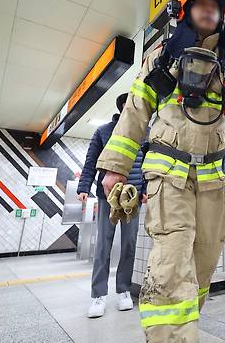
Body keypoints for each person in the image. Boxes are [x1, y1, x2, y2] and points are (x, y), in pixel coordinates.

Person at [96, 0, 225, 342]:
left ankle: (186, 330)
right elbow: (136, 112)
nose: (210, 11)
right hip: (169, 179)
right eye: (202, 4)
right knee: (171, 264)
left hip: (215, 183)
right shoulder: (162, 58)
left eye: (215, 6)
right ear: (185, 11)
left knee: (203, 266)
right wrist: (114, 168)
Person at [78, 93, 146, 318]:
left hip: (132, 198)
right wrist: (83, 188)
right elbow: (91, 162)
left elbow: (147, 164)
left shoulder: (143, 133)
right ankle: (98, 295)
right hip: (107, 196)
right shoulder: (104, 131)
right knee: (102, 246)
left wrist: (144, 190)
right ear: (123, 107)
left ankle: (124, 291)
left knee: (129, 244)